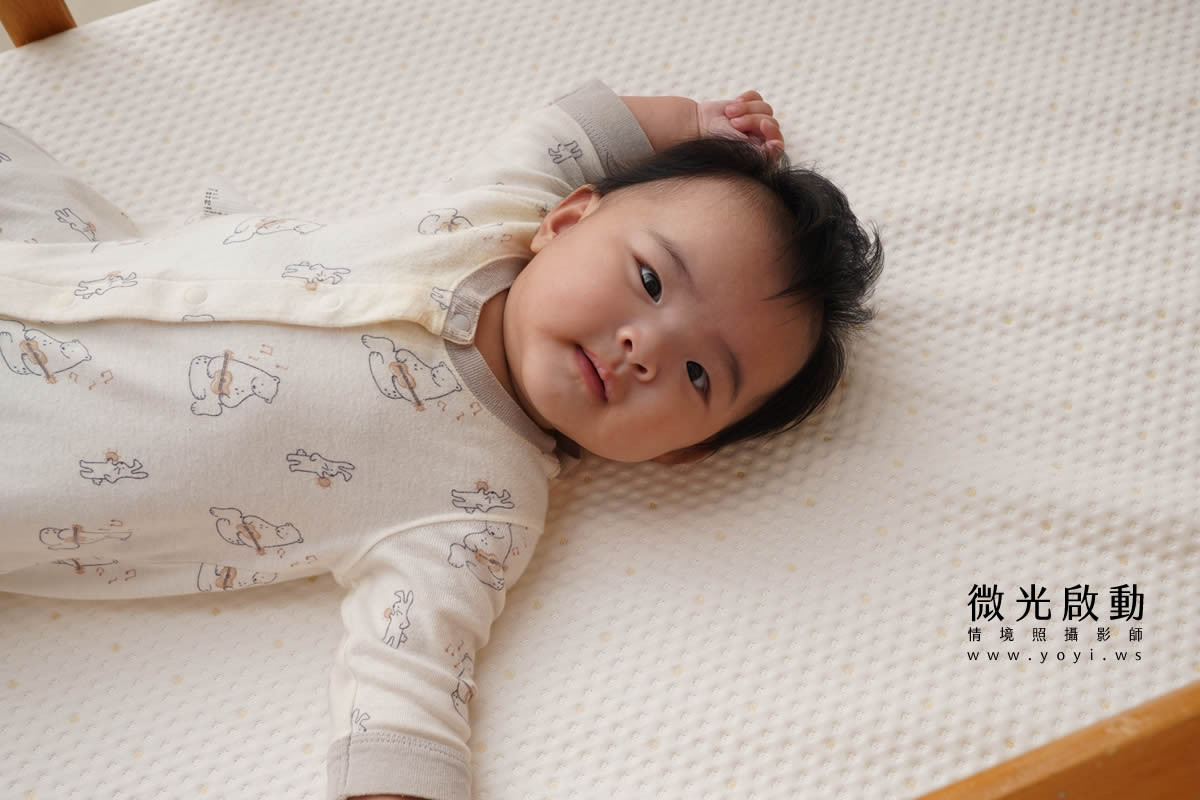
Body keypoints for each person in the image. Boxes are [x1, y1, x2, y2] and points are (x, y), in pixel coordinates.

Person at [0, 78, 882, 800]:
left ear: (682, 452)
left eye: (699, 375)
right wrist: (697, 121)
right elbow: (570, 131)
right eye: (650, 280)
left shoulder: (480, 510)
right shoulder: (491, 216)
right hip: (60, 255)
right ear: (567, 221)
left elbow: (410, 678)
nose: (643, 348)